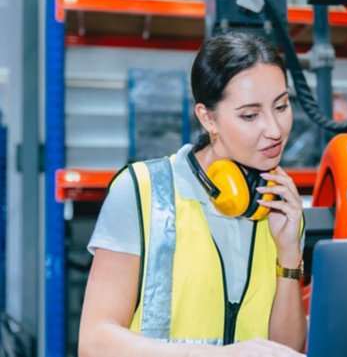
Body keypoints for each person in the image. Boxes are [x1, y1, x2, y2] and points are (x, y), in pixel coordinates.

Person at [79, 32, 306, 356]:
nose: (274, 129)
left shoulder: (279, 205)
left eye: (281, 106)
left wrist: (288, 254)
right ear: (208, 118)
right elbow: (94, 342)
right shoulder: (142, 191)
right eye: (250, 115)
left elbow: (286, 349)